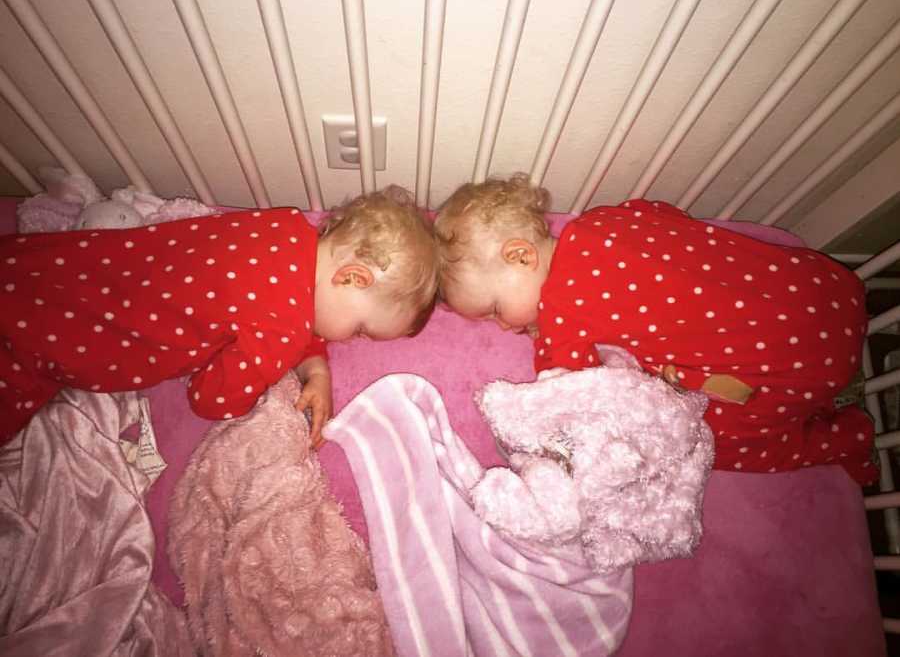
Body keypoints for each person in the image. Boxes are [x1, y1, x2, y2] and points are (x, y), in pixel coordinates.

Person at [433, 173, 876, 484]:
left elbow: (567, 393)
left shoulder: (562, 309)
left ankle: (841, 438)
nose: (503, 325)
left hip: (798, 364)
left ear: (521, 256)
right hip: (823, 290)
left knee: (703, 441)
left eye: (494, 308)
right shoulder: (598, 222)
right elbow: (662, 214)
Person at [0, 185, 438, 449]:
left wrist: (315, 365)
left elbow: (288, 300)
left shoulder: (285, 226)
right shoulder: (281, 331)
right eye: (361, 329)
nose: (349, 339)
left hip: (55, 265)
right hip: (52, 339)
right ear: (352, 277)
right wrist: (268, 387)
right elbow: (210, 399)